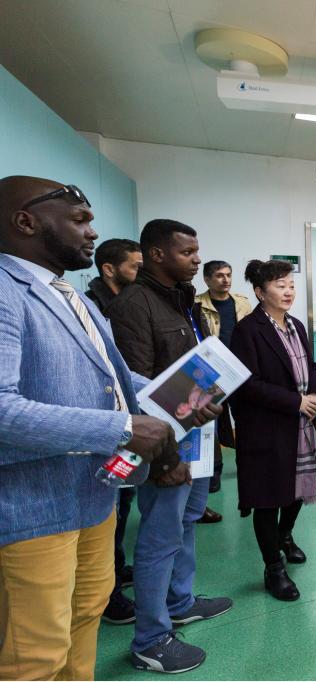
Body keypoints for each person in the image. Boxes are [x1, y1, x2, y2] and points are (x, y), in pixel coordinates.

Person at [0, 176, 181, 681]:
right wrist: (123, 427)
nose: (92, 232)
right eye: (79, 220)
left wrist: (182, 394)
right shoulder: (5, 291)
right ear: (26, 222)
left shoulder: (70, 295)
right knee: (35, 653)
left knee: (86, 616)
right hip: (34, 507)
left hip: (93, 496)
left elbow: (116, 379)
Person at [106, 219, 233, 673]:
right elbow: (136, 390)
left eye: (197, 251)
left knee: (187, 522)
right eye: (188, 252)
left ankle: (180, 602)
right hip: (165, 443)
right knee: (159, 537)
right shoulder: (134, 305)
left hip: (195, 430)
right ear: (157, 254)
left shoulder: (182, 301)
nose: (198, 260)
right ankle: (151, 639)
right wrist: (165, 458)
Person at [230, 259, 316, 602]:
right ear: (260, 292)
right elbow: (247, 385)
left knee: (297, 489)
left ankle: (285, 536)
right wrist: (296, 401)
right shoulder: (248, 331)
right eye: (280, 285)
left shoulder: (296, 325)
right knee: (269, 498)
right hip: (267, 428)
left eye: (291, 285)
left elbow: (312, 366)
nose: (288, 292)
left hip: (300, 425)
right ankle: (273, 569)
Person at [80, 237, 145, 624]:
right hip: (106, 430)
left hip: (126, 426)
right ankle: (111, 594)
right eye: (135, 266)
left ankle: (116, 571)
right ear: (109, 269)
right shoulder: (95, 307)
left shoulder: (111, 304)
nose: (140, 273)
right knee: (113, 508)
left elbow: (121, 371)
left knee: (123, 502)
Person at [196, 260, 252, 496]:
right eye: (219, 275)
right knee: (213, 424)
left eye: (228, 275)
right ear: (207, 279)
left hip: (239, 372)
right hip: (211, 372)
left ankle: (246, 464)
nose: (226, 280)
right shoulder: (196, 305)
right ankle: (214, 470)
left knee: (245, 419)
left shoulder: (242, 303)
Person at [85, 238, 142, 313]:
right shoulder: (88, 307)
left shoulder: (137, 298)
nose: (144, 272)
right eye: (137, 266)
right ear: (109, 270)